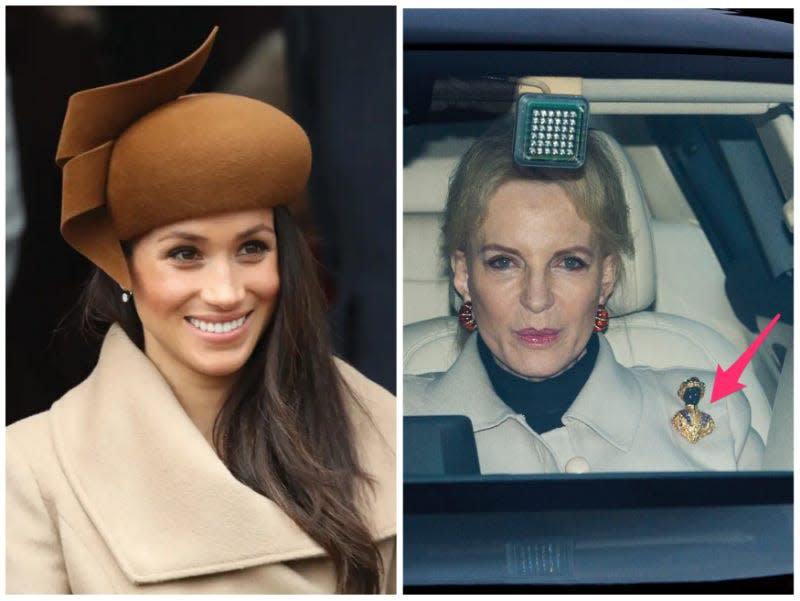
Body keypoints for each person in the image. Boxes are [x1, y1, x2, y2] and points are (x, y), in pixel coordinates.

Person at [6, 28, 395, 594]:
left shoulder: (378, 426)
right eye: (185, 255)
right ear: (124, 270)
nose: (226, 290)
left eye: (252, 248)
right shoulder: (32, 472)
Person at [404, 120, 764, 474]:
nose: (537, 298)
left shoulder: (716, 418)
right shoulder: (389, 422)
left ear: (605, 276)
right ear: (464, 275)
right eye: (504, 262)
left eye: (569, 262)